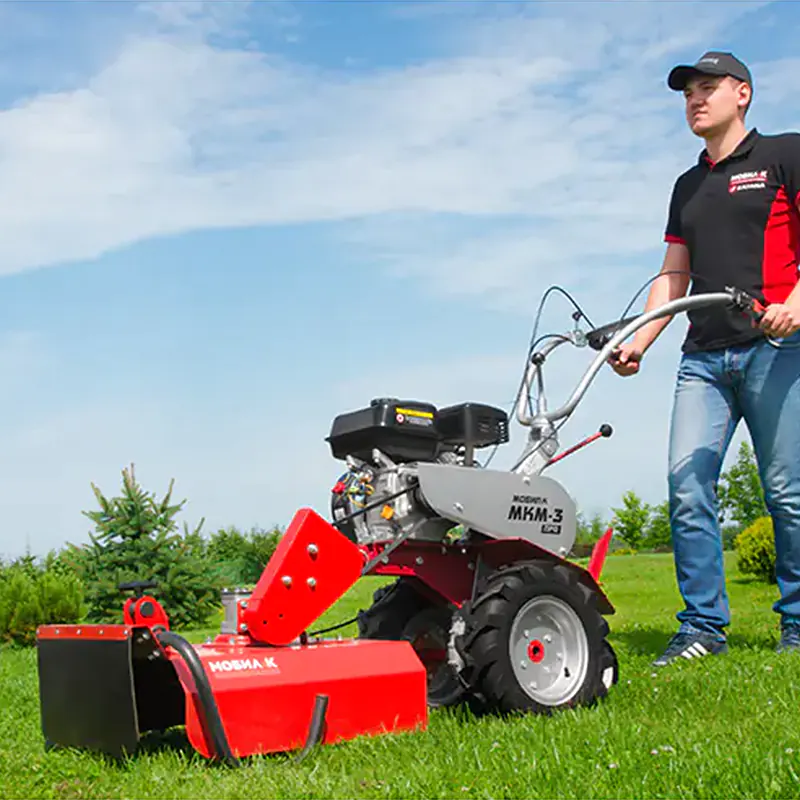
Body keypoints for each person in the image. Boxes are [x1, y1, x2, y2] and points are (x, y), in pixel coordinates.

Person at [610, 51, 800, 665]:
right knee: (687, 486)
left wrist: (795, 304)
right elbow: (674, 274)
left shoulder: (786, 155)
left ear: (742, 93)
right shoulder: (686, 186)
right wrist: (638, 340)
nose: (695, 99)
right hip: (703, 360)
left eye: (708, 87)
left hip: (777, 346)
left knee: (787, 492)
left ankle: (798, 624)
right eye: (688, 91)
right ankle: (702, 628)